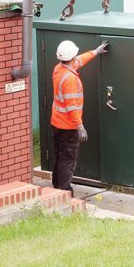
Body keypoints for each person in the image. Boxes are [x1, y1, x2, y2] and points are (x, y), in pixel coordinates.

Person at [51, 40, 108, 194]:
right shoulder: (70, 79)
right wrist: (80, 127)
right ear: (72, 56)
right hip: (68, 127)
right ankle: (64, 190)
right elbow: (72, 107)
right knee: (68, 159)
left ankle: (57, 186)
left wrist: (95, 52)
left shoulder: (59, 69)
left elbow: (80, 60)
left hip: (57, 123)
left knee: (59, 155)